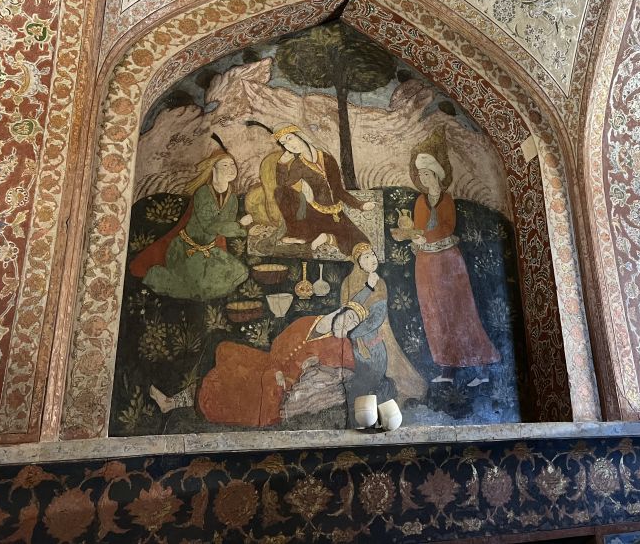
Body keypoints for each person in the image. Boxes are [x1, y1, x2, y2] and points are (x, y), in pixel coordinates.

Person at [150, 304, 365, 427]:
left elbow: (347, 370)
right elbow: (280, 342)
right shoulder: (310, 321)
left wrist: (316, 366)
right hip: (271, 362)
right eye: (349, 317)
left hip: (285, 381)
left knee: (236, 379)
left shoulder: (341, 344)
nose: (348, 324)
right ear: (341, 311)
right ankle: (174, 401)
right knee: (227, 351)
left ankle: (172, 403)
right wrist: (276, 366)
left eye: (354, 324)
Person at [409, 150, 499, 385]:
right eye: (420, 175)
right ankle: (447, 371)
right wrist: (415, 237)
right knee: (435, 315)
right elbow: (418, 228)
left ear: (436, 175)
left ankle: (481, 371)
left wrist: (424, 237)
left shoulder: (446, 200)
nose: (424, 179)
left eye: (427, 174)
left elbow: (447, 228)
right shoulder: (420, 201)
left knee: (461, 313)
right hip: (426, 264)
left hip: (448, 262)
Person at [130, 144, 251, 301]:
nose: (231, 169)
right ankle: (158, 276)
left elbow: (224, 228)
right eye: (225, 165)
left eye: (232, 164)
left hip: (210, 251)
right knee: (199, 288)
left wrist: (241, 228)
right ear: (213, 169)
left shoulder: (232, 199)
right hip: (186, 250)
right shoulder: (203, 193)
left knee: (241, 273)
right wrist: (240, 225)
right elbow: (209, 226)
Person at [246, 123, 373, 254]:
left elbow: (338, 189)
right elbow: (282, 186)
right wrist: (282, 164)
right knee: (281, 192)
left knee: (359, 241)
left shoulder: (327, 158)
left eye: (290, 138)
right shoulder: (297, 165)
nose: (289, 145)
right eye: (284, 143)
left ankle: (323, 237)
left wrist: (360, 205)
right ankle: (302, 235)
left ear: (300, 136)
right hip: (313, 212)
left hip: (335, 210)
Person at [341, 242, 427, 410]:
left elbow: (378, 315)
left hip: (378, 334)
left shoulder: (379, 282)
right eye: (366, 257)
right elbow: (347, 311)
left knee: (385, 369)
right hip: (356, 337)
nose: (372, 259)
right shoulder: (348, 283)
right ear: (358, 262)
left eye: (373, 254)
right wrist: (368, 288)